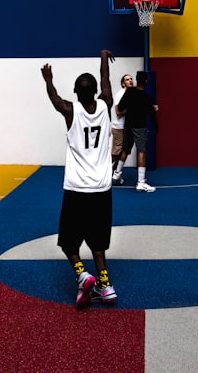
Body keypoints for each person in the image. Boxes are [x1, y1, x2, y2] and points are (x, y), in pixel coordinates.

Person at [40, 49, 118, 308]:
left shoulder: (70, 111)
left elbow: (54, 98)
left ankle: (83, 275)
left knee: (68, 243)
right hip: (101, 188)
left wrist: (48, 80)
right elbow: (106, 82)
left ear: (75, 92)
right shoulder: (106, 105)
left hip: (76, 188)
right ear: (96, 91)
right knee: (99, 242)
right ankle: (105, 284)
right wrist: (103, 58)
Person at [116, 70, 159, 192]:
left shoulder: (129, 92)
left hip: (128, 126)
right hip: (140, 127)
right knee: (142, 152)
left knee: (125, 149)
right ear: (146, 81)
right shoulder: (147, 98)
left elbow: (120, 108)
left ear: (136, 79)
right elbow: (151, 115)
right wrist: (156, 127)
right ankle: (140, 182)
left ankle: (117, 174)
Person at [110, 74, 133, 185]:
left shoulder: (131, 94)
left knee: (124, 152)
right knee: (116, 153)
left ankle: (115, 175)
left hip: (126, 128)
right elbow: (118, 112)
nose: (130, 81)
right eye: (127, 79)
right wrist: (130, 109)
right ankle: (106, 174)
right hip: (119, 128)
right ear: (123, 83)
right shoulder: (120, 94)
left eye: (131, 79)